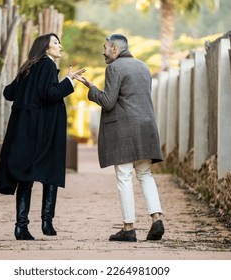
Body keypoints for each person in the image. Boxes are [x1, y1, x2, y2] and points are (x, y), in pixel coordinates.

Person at [0, 33, 85, 240]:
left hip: (23, 130)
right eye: (55, 42)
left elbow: (9, 93)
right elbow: (49, 93)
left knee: (26, 176)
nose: (60, 45)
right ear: (45, 48)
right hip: (43, 129)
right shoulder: (46, 65)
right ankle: (47, 222)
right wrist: (69, 82)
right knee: (50, 169)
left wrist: (24, 83)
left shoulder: (29, 67)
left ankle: (22, 226)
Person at [75, 34, 165, 242]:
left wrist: (91, 88)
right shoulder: (143, 66)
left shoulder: (114, 68)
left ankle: (128, 228)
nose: (103, 51)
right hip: (147, 127)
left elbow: (108, 102)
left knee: (124, 176)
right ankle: (157, 219)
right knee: (145, 174)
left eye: (105, 47)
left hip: (124, 130)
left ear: (115, 49)